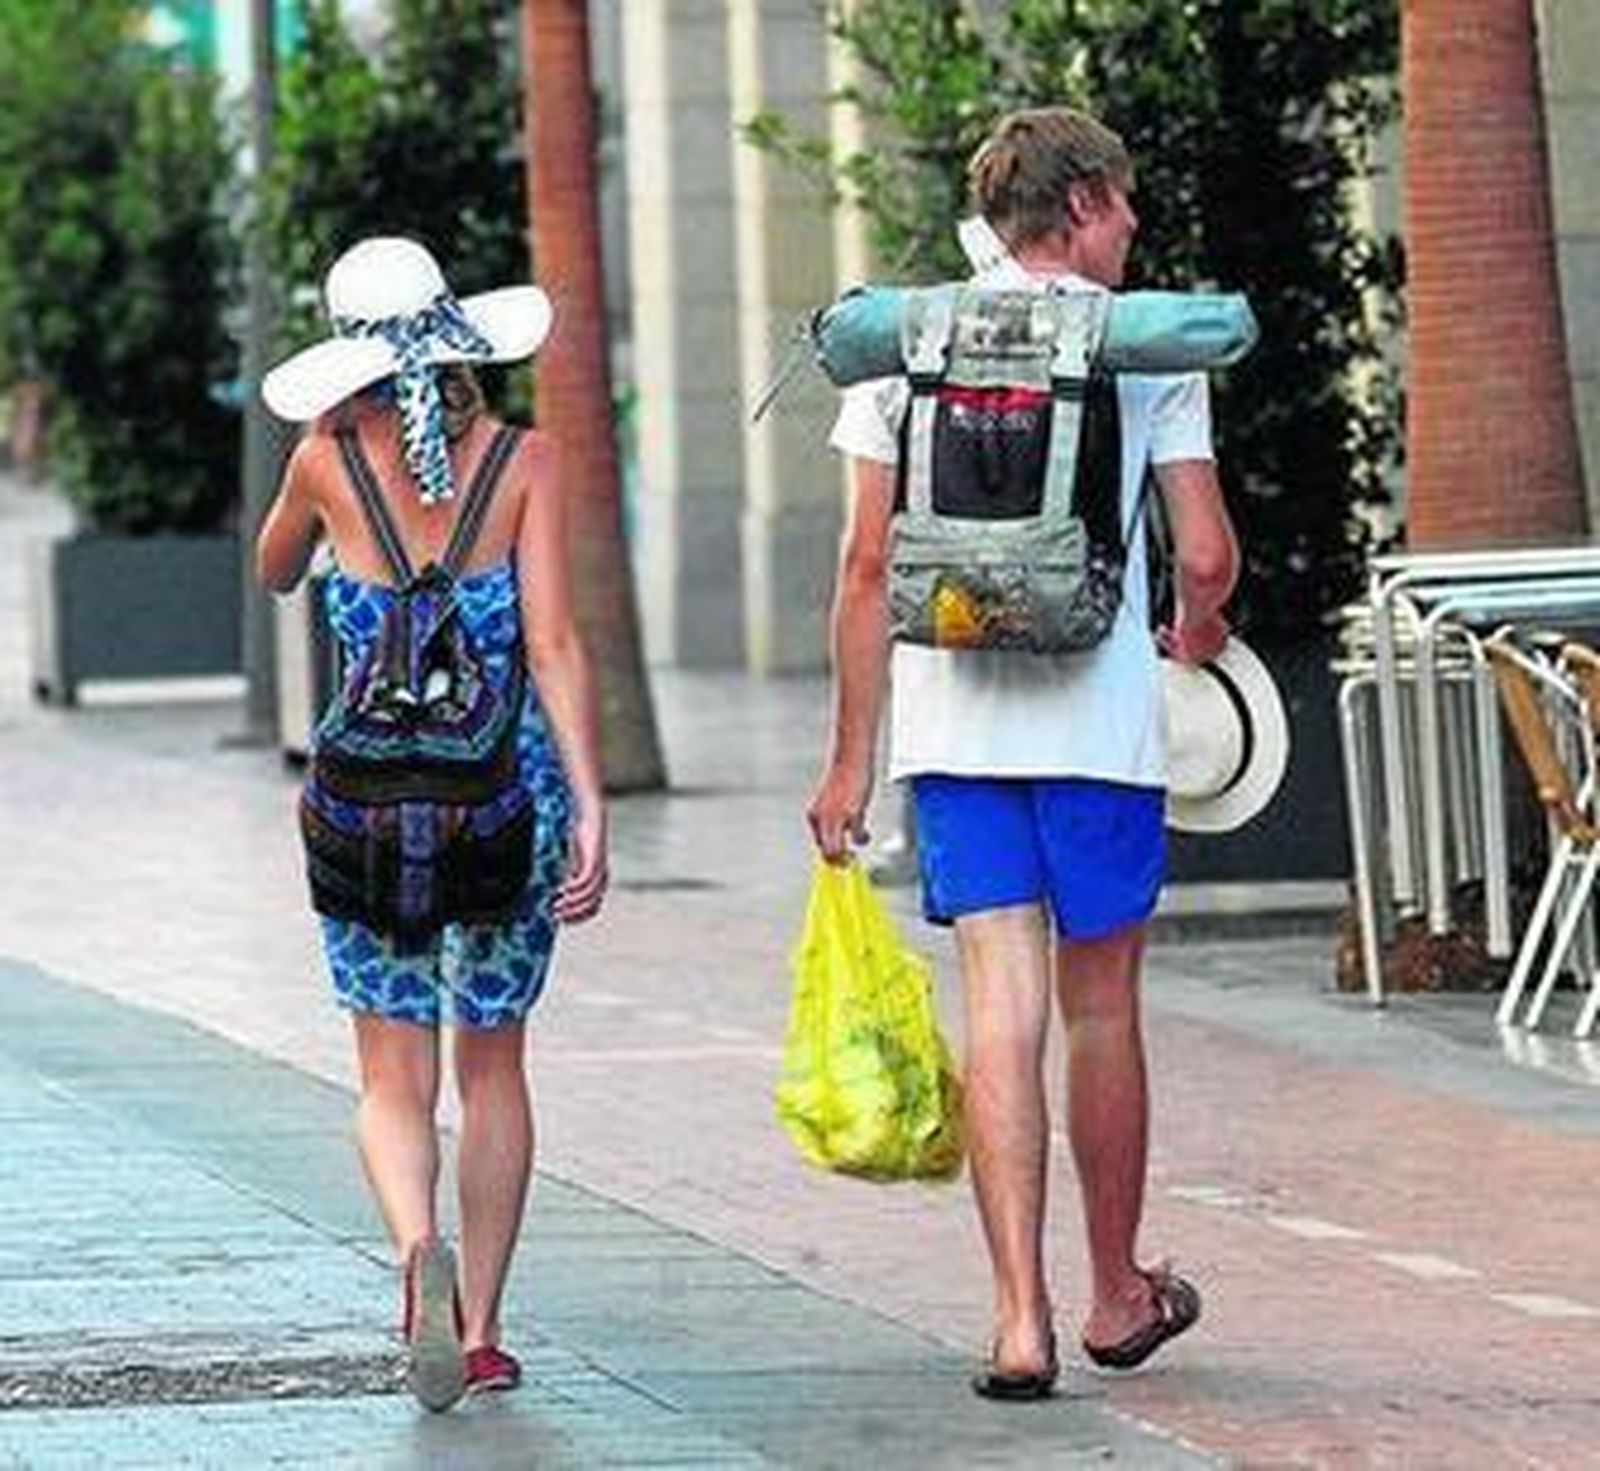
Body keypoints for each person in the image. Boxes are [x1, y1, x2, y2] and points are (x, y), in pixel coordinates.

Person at [808, 107, 1239, 1396]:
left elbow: (866, 564)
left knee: (1000, 1014)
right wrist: (1195, 632)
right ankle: (1116, 1293)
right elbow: (1204, 553)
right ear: (1088, 200)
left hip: (954, 735)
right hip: (1100, 734)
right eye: (1127, 204)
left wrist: (848, 762)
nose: (1138, 228)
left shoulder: (907, 345)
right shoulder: (1143, 349)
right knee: (1100, 1010)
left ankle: (1016, 1320)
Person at [256, 237, 607, 1410]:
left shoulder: (322, 461)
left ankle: (418, 1258)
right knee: (492, 1063)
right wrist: (591, 803)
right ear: (461, 341)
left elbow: (272, 572)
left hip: (361, 812)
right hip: (507, 807)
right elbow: (555, 642)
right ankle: (488, 1326)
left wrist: (320, 491)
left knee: (389, 1071)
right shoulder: (526, 461)